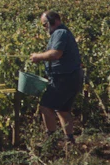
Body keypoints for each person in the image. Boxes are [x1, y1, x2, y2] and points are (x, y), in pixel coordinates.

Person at [29, 10, 82, 144]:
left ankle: (51, 141)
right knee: (63, 110)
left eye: (45, 24)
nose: (44, 28)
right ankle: (69, 141)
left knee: (45, 106)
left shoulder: (60, 33)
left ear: (54, 21)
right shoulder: (61, 33)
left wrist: (38, 57)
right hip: (72, 78)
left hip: (64, 78)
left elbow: (56, 54)